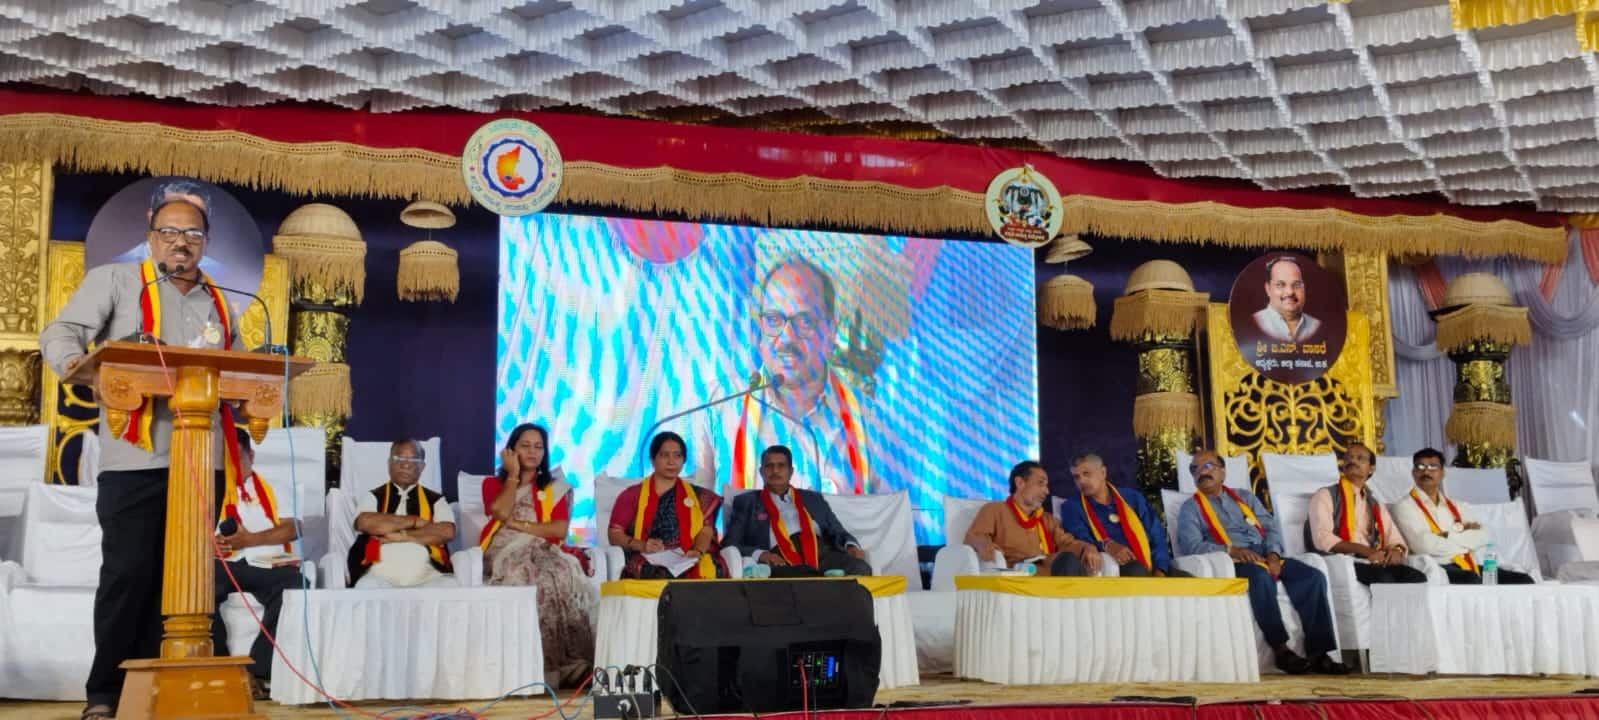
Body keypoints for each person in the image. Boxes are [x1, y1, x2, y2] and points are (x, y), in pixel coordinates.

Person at [39, 188, 242, 720]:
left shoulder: (220, 301)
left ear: (206, 243)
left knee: (190, 580)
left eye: (192, 234)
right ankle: (106, 693)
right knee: (129, 574)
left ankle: (167, 692)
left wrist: (243, 435)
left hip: (203, 462)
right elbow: (60, 332)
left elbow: (239, 371)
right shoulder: (116, 281)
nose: (181, 242)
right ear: (151, 237)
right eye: (170, 232)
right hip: (136, 458)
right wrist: (80, 368)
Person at [688, 256, 872, 496]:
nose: (786, 337)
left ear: (830, 332)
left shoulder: (869, 421)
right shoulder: (718, 405)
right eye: (774, 320)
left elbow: (889, 514)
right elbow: (688, 509)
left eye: (804, 321)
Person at [1176, 450, 1348, 675]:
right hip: (1231, 560)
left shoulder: (1245, 498)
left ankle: (1319, 653)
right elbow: (1192, 546)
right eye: (1194, 469)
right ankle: (1281, 650)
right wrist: (1232, 550)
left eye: (1207, 466)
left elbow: (1270, 527)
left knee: (1312, 577)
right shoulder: (1190, 508)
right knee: (1259, 576)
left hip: (1265, 555)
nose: (1201, 472)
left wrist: (1274, 554)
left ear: (1222, 471)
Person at [480, 423, 596, 686]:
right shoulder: (492, 483)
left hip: (543, 547)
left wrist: (519, 524)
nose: (532, 452)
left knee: (561, 574)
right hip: (504, 549)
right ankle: (528, 665)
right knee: (522, 573)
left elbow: (558, 529)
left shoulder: (555, 488)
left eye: (538, 447)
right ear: (511, 450)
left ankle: (569, 665)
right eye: (525, 445)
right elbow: (500, 512)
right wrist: (513, 475)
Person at [211, 426, 302, 699]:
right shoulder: (208, 488)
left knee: (296, 584)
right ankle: (221, 668)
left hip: (265, 563)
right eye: (225, 460)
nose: (232, 467)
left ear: (251, 455)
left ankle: (257, 671)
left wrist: (249, 540)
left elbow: (293, 528)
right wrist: (209, 543)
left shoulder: (276, 488)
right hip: (224, 564)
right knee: (200, 587)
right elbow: (189, 530)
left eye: (237, 458)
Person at [724, 445, 872, 577]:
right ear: (761, 471)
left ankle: (819, 581)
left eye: (781, 465)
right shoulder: (746, 502)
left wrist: (851, 545)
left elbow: (837, 530)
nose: (775, 471)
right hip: (779, 558)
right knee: (796, 576)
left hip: (821, 553)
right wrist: (761, 554)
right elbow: (730, 543)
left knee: (860, 568)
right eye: (769, 466)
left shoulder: (813, 499)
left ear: (791, 471)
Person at [1392, 448, 1534, 585]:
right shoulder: (1404, 506)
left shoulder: (1456, 506)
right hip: (1435, 567)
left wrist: (1447, 536)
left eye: (1433, 466)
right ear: (1413, 472)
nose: (1426, 471)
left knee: (1523, 580)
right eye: (1421, 466)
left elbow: (1483, 535)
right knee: (1472, 580)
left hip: (1468, 564)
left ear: (1442, 473)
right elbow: (1423, 545)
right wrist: (1465, 543)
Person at [608, 432, 729, 579]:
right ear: (653, 459)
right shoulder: (632, 495)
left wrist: (697, 551)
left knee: (713, 568)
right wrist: (642, 545)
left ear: (683, 460)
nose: (671, 462)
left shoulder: (700, 496)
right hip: (645, 554)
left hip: (687, 555)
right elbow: (615, 533)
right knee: (658, 573)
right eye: (664, 455)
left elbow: (706, 530)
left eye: (677, 456)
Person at [1306, 442, 1427, 584]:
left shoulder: (1375, 504)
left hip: (1375, 560)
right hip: (1345, 562)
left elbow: (1394, 539)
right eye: (1348, 457)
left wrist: (1397, 551)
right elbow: (1322, 538)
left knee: (1417, 578)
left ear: (1371, 468)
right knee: (1384, 579)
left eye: (1360, 458)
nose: (1353, 460)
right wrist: (1366, 551)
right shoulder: (1325, 495)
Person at [347, 439, 458, 588]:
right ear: (389, 463)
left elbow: (447, 531)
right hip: (378, 574)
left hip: (428, 575)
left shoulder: (436, 500)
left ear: (422, 467)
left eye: (413, 459)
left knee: (450, 586)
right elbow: (365, 522)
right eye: (399, 458)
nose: (405, 465)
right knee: (366, 586)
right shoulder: (373, 496)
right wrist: (414, 521)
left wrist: (402, 536)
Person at [1059, 452, 1186, 577]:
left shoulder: (1132, 498)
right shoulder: (1072, 507)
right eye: (1076, 477)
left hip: (1151, 565)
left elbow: (1156, 535)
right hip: (1114, 567)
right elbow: (1081, 541)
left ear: (1103, 472)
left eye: (1086, 474)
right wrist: (1107, 545)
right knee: (1136, 571)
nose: (1081, 481)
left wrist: (1160, 569)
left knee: (1188, 581)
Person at [965, 461, 1100, 576]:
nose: (1046, 491)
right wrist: (982, 544)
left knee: (1070, 561)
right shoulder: (995, 510)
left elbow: (1067, 543)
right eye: (1041, 483)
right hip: (1018, 575)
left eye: (1046, 485)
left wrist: (1088, 547)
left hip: (1050, 573)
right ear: (1020, 483)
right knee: (1068, 563)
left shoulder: (1047, 519)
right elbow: (974, 536)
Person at [1252, 256, 1321, 343]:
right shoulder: (1253, 324)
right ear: (1268, 289)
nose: (1290, 292)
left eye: (1296, 285)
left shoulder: (1317, 326)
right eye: (1280, 285)